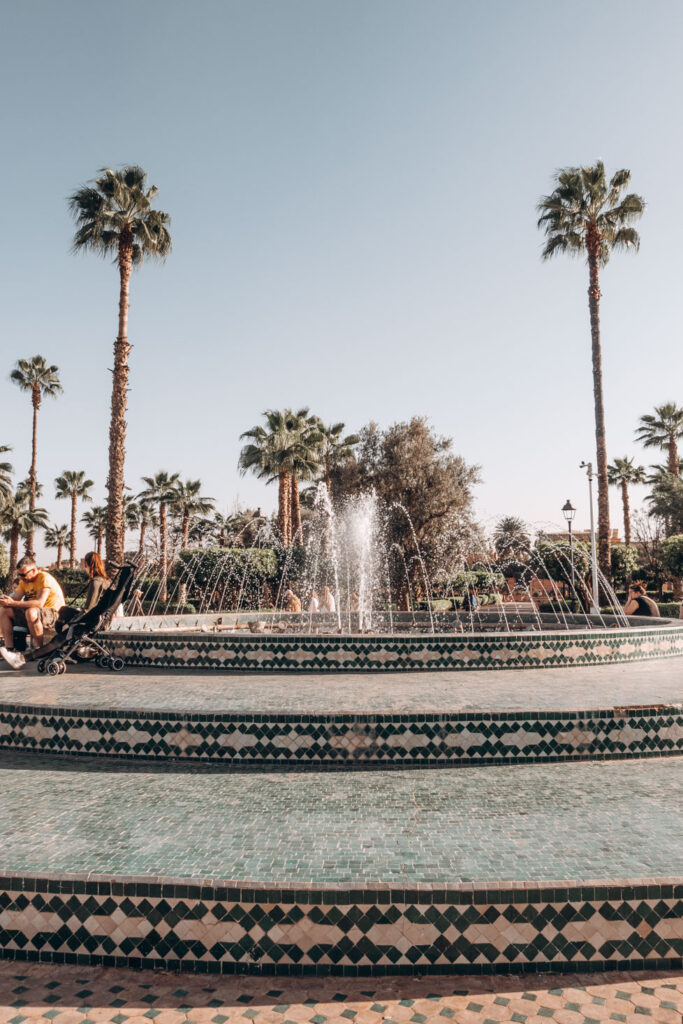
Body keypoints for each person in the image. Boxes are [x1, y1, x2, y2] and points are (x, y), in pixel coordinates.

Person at [0, 556, 66, 668]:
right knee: (5, 610)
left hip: (54, 613)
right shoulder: (24, 581)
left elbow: (40, 603)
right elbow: (15, 600)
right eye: (19, 575)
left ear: (34, 570)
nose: (21, 578)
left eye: (23, 575)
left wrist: (12, 603)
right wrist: (5, 600)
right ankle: (10, 649)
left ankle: (40, 651)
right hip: (33, 612)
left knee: (31, 612)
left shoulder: (43, 578)